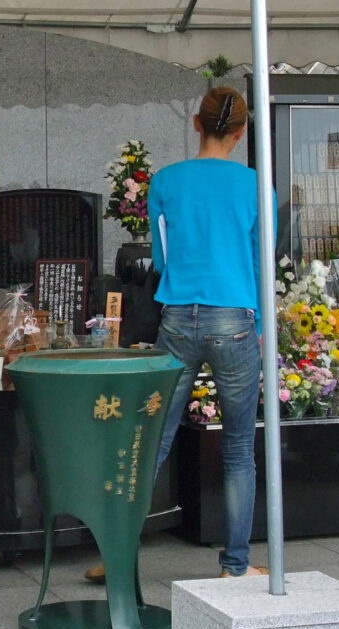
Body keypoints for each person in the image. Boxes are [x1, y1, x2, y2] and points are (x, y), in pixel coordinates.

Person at [85, 86, 271, 584]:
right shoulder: (259, 186)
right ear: (241, 131)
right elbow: (261, 266)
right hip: (234, 317)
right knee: (236, 450)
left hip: (177, 319)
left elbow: (161, 261)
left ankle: (118, 553)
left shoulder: (166, 181)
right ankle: (234, 566)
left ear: (196, 124)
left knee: (151, 442)